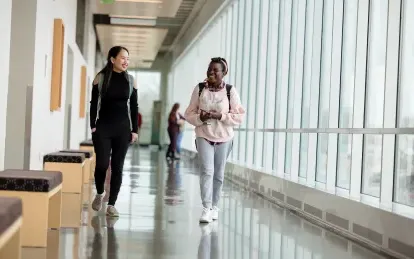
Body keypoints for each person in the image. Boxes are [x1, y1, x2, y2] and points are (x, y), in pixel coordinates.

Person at [184, 57, 245, 223]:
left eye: (215, 70)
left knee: (218, 174)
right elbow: (188, 113)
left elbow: (239, 117)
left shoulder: (230, 91)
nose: (211, 72)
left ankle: (215, 207)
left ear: (224, 73)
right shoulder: (200, 89)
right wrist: (200, 118)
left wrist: (221, 116)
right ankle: (206, 207)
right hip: (204, 134)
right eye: (209, 69)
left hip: (225, 137)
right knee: (206, 171)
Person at [89, 46, 139, 217]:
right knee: (102, 164)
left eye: (128, 58)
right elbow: (94, 103)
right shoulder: (100, 78)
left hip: (123, 129)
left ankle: (111, 205)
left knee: (118, 167)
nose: (126, 61)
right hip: (103, 127)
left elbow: (134, 107)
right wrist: (93, 126)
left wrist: (134, 130)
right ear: (112, 59)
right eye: (123, 58)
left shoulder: (131, 81)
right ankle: (100, 192)